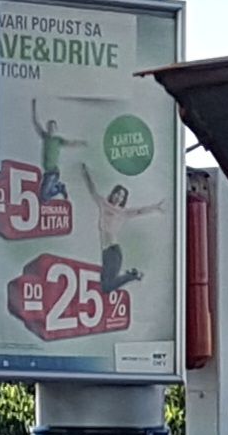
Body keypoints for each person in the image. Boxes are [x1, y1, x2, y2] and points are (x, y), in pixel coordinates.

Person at [80, 164, 166, 294]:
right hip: (105, 251)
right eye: (117, 194)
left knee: (106, 287)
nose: (118, 198)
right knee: (104, 286)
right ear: (113, 193)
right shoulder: (104, 204)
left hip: (113, 251)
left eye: (121, 197)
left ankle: (132, 275)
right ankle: (132, 274)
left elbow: (139, 211)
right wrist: (86, 173)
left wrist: (155, 207)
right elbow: (93, 190)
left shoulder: (122, 212)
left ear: (123, 200)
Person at [31, 99, 85, 202]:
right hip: (47, 172)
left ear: (56, 129)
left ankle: (59, 188)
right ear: (47, 128)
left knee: (43, 197)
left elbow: (71, 143)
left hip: (53, 172)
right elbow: (36, 122)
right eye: (49, 127)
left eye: (53, 127)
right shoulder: (45, 136)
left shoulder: (58, 140)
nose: (51, 129)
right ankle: (58, 187)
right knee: (42, 197)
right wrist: (33, 107)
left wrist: (82, 143)